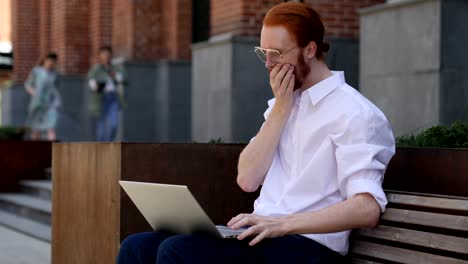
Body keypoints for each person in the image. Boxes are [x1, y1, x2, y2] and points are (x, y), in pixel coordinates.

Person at [117, 2, 395, 263]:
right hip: (265, 235)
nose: (268, 64)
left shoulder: (356, 113)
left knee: (177, 251)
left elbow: (366, 208)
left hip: (312, 247)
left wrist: (284, 223)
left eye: (277, 53)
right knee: (137, 246)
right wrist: (280, 111)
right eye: (264, 53)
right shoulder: (284, 104)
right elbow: (248, 179)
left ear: (309, 50)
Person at [86, 46, 126, 142]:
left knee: (114, 124)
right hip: (101, 98)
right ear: (100, 56)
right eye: (104, 54)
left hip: (113, 98)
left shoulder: (117, 68)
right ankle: (101, 146)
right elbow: (91, 84)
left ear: (111, 55)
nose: (106, 57)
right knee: (101, 124)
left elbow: (121, 81)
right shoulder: (96, 69)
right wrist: (101, 86)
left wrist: (114, 77)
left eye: (108, 54)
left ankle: (110, 142)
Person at [25, 53, 61, 141]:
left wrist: (56, 100)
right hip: (37, 104)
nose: (51, 64)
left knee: (51, 126)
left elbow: (55, 89)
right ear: (45, 61)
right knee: (36, 129)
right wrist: (34, 92)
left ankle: (53, 150)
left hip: (50, 104)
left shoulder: (55, 74)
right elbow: (28, 84)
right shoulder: (36, 71)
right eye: (49, 61)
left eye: (53, 62)